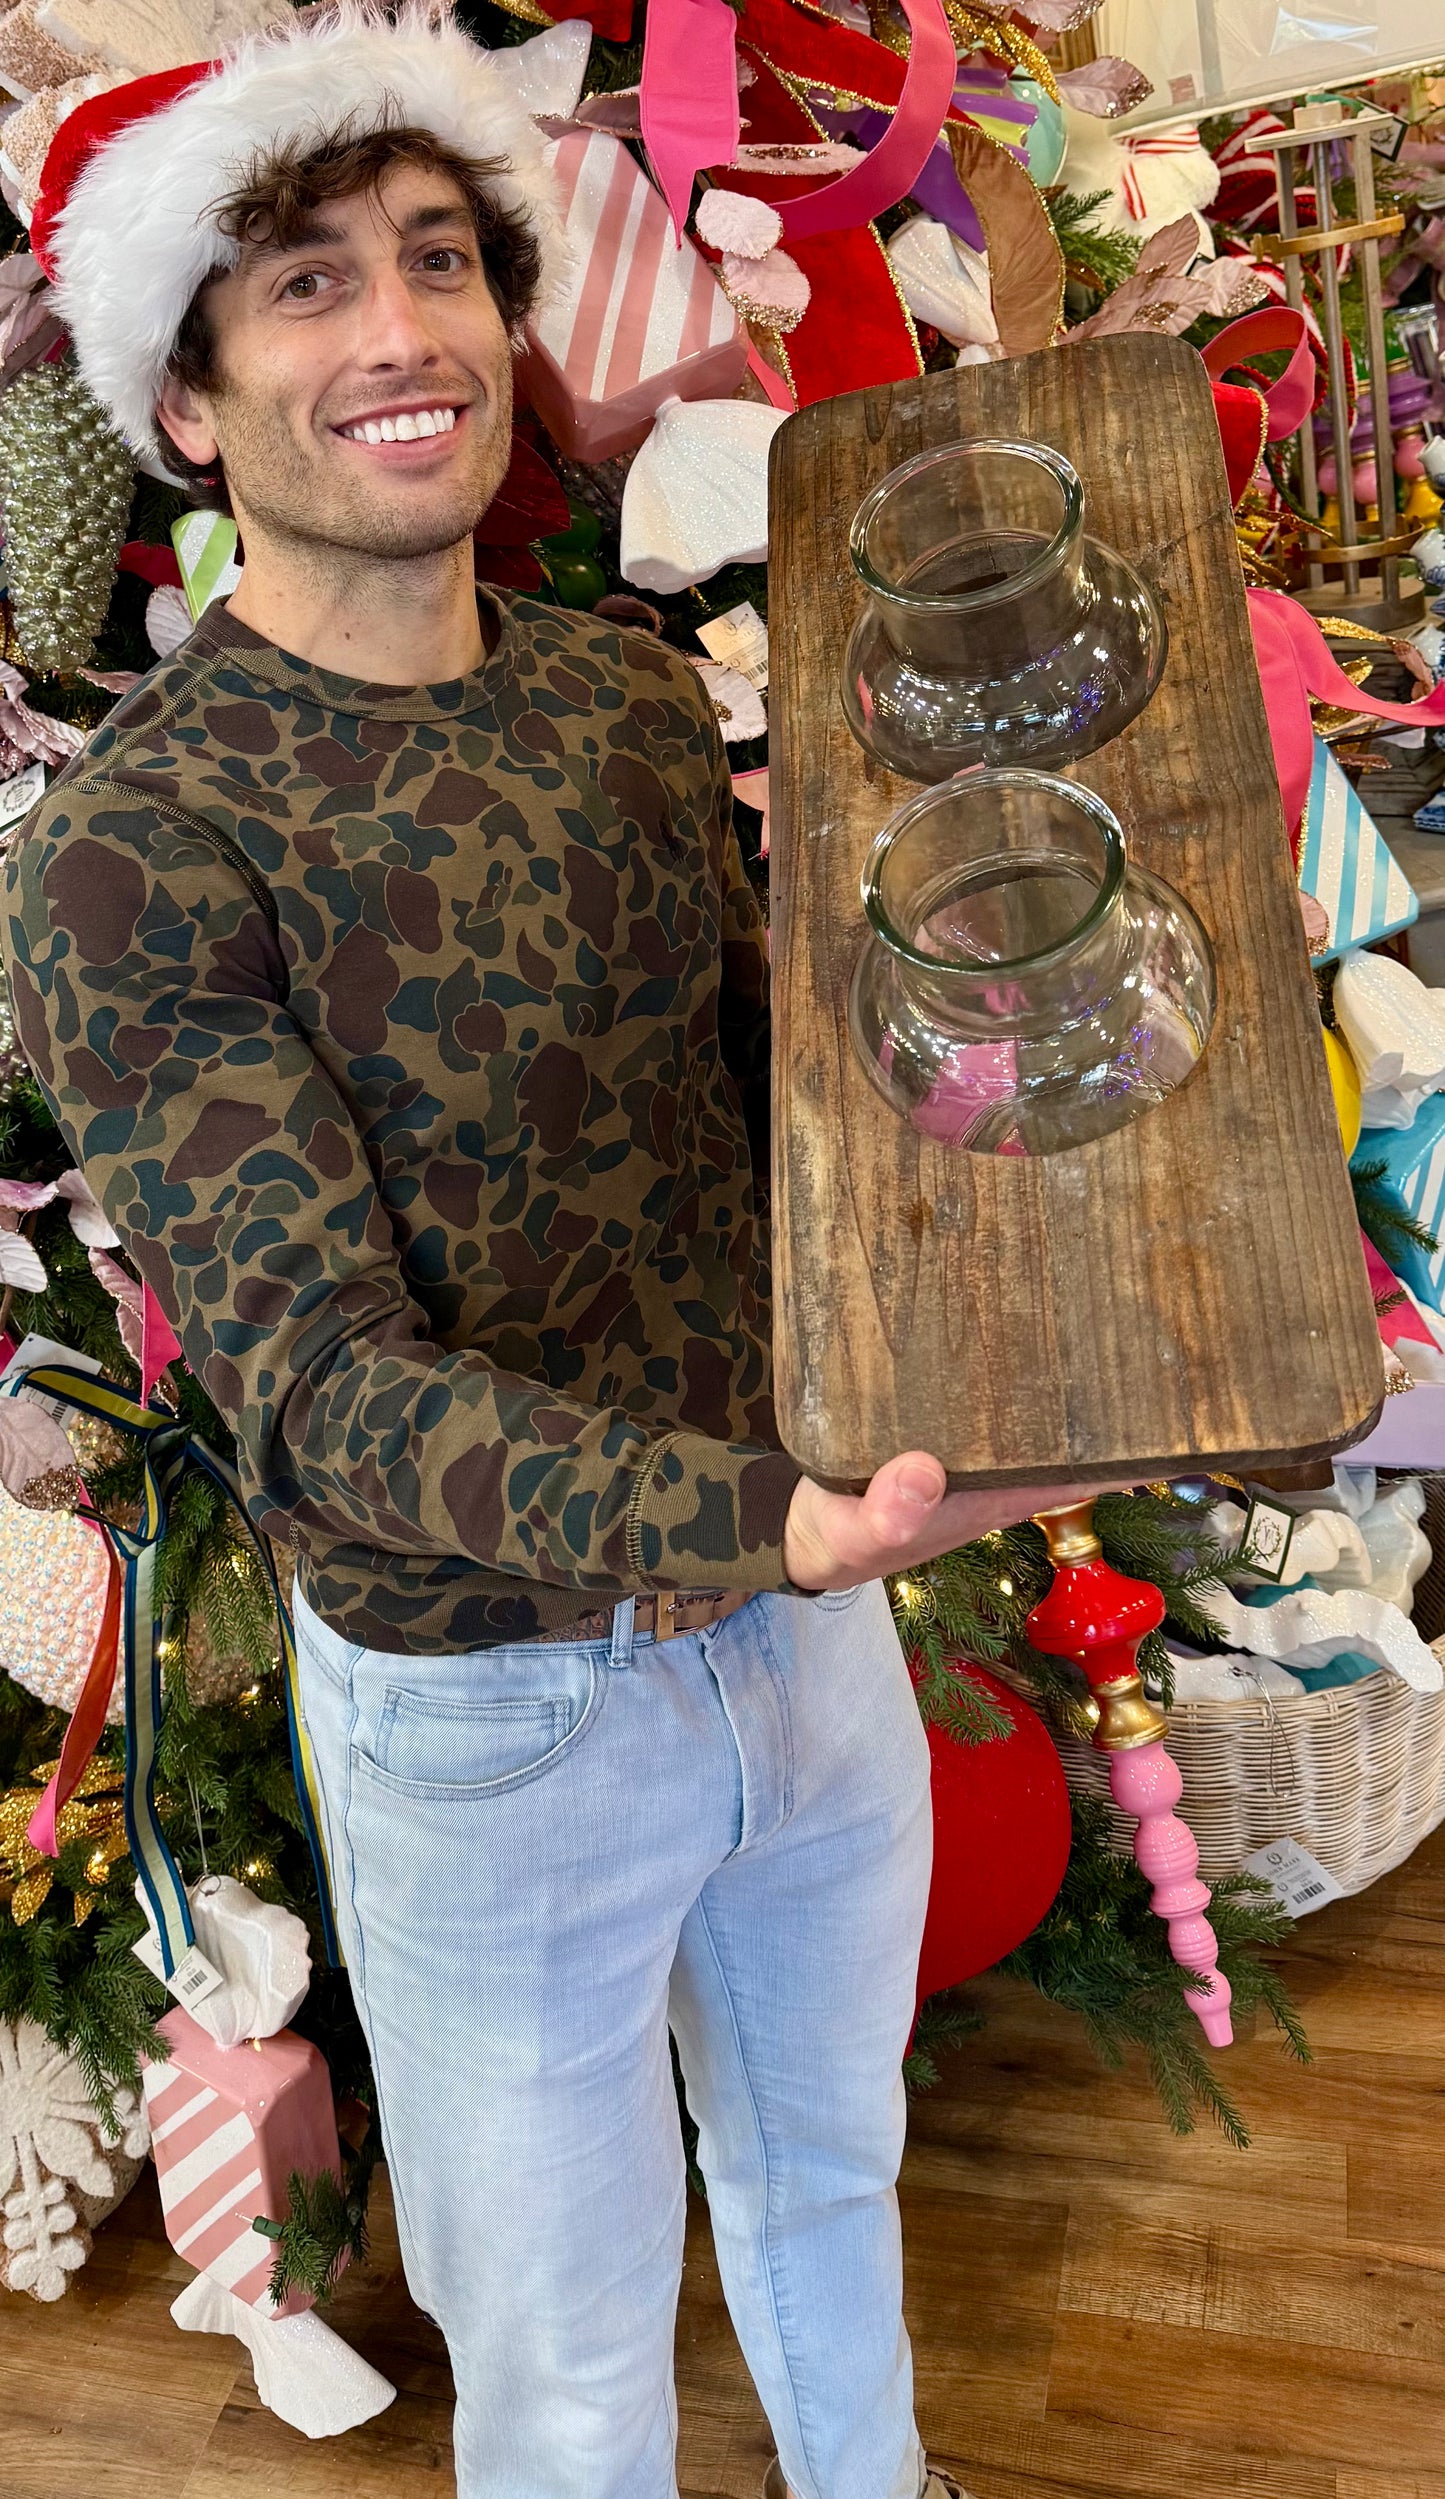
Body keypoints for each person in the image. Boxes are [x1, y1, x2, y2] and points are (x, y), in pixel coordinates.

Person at [3, 10, 1113, 2495]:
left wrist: (1042, 1190)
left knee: (833, 2183)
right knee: (580, 2370)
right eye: (299, 287)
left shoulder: (616, 702)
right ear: (187, 404)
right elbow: (322, 1388)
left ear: (512, 327)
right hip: (496, 1720)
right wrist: (773, 1518)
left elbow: (800, 1111)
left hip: (811, 1625)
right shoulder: (137, 847)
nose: (394, 330)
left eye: (435, 263)